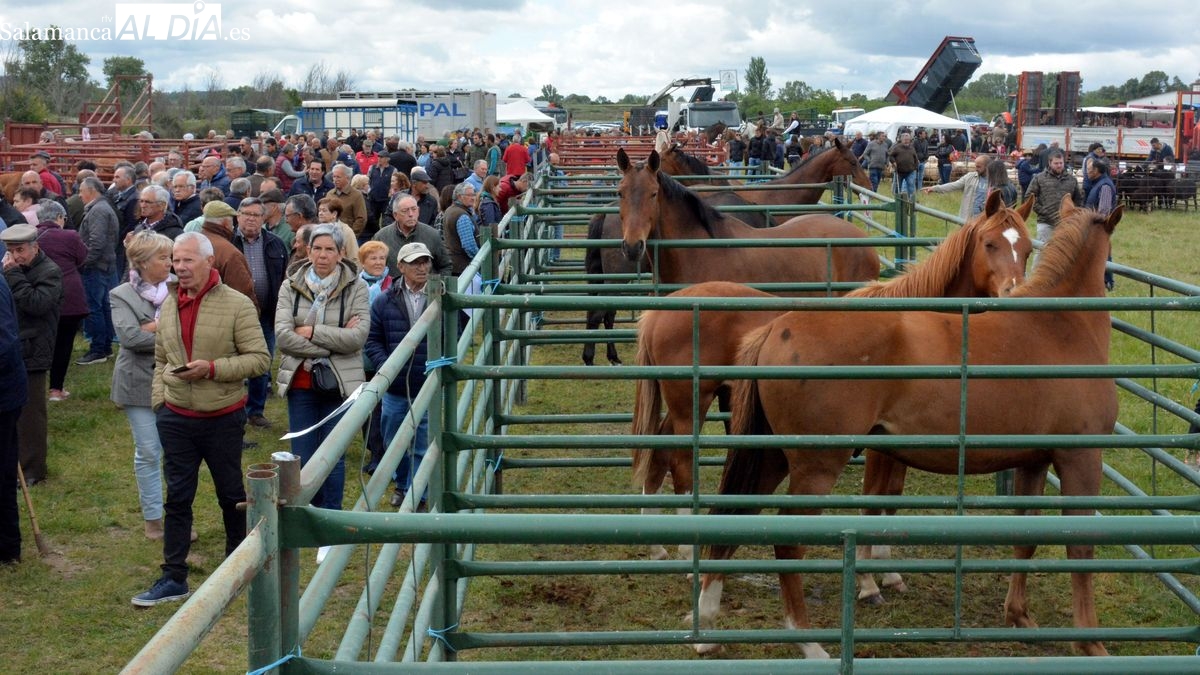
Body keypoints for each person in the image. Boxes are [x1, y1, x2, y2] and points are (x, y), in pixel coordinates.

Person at [131, 232, 269, 607]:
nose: (179, 267)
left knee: (230, 495)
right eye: (175, 260)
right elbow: (161, 357)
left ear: (209, 262)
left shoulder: (237, 305)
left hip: (222, 417)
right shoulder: (169, 303)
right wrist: (161, 404)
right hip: (176, 416)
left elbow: (259, 359)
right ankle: (173, 576)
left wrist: (211, 369)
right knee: (178, 497)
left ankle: (237, 567)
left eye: (187, 260)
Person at [275, 225, 370, 527]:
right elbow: (283, 336)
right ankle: (306, 516)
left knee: (333, 455)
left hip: (339, 383)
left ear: (341, 253)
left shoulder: (356, 287)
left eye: (330, 249)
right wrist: (333, 343)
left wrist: (312, 331)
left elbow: (357, 338)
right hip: (301, 383)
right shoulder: (290, 285)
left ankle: (331, 517)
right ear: (307, 250)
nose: (323, 255)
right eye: (317, 248)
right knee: (302, 454)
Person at [111, 231, 176, 539]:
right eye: (163, 258)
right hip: (137, 384)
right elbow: (130, 338)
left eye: (170, 257)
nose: (170, 263)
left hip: (176, 380)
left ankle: (178, 518)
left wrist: (151, 327)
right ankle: (153, 518)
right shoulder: (121, 294)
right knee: (149, 451)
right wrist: (168, 328)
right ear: (143, 262)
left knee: (176, 453)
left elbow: (194, 328)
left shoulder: (179, 287)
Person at [365, 241, 434, 509]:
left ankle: (419, 492)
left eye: (425, 261)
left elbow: (457, 332)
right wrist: (388, 366)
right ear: (401, 267)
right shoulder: (384, 300)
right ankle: (403, 484)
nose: (422, 267)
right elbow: (372, 339)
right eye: (415, 262)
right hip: (395, 388)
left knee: (422, 440)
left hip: (426, 382)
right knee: (393, 440)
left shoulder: (440, 297)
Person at [1, 223, 63, 485]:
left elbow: (37, 304)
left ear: (35, 247)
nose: (16, 256)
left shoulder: (50, 271)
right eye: (11, 251)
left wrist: (14, 276)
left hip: (35, 348)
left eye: (21, 250)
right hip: (13, 347)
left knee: (31, 415)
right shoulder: (10, 270)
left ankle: (32, 470)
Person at [233, 197, 289, 429]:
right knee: (233, 363)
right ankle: (233, 412)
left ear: (263, 218)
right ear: (238, 216)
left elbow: (284, 277)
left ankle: (255, 411)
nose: (251, 219)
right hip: (234, 315)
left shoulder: (275, 244)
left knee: (262, 362)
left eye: (256, 215)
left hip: (266, 313)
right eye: (246, 214)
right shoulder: (229, 243)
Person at [32, 201, 88, 402]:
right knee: (64, 343)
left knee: (37, 344)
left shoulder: (31, 237)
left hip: (38, 295)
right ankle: (56, 389)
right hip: (69, 296)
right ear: (59, 218)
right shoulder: (70, 236)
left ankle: (34, 388)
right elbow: (83, 258)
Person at [76, 177, 120, 366]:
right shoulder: (102, 207)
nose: (79, 195)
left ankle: (98, 349)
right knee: (103, 307)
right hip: (104, 265)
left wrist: (84, 263)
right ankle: (105, 346)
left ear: (92, 191)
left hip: (97, 267)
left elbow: (97, 243)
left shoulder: (98, 210)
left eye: (81, 191)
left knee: (95, 308)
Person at [357, 241, 391, 474]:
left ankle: (380, 453)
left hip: (382, 353)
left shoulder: (392, 285)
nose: (378, 263)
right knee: (363, 407)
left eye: (381, 258)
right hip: (359, 356)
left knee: (381, 407)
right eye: (373, 258)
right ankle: (372, 448)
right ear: (363, 262)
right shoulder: (354, 286)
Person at [0, 273, 27, 564]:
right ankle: (7, 547)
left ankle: (7, 546)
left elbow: (4, 344)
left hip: (4, 394)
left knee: (4, 472)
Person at [373, 194, 452, 279]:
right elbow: (373, 267)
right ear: (395, 215)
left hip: (425, 286)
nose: (411, 214)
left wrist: (437, 284)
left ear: (418, 211)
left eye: (414, 209)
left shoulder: (432, 235)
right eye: (405, 211)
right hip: (393, 286)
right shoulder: (381, 237)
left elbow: (445, 265)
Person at [1024, 147, 1083, 251]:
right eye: (1056, 163)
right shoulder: (1040, 178)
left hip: (1065, 224)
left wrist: (1072, 216)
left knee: (1063, 252)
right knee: (1042, 252)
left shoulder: (1072, 180)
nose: (1059, 165)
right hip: (1045, 223)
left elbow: (1078, 200)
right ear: (1050, 163)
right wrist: (1043, 211)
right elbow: (1029, 197)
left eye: (1061, 163)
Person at [922, 154, 991, 222]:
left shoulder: (993, 181)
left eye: (979, 167)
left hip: (985, 220)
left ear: (987, 167)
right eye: (976, 166)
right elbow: (953, 185)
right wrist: (934, 188)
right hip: (967, 219)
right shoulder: (970, 177)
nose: (976, 169)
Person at [1084, 158, 1117, 290]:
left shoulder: (1105, 186)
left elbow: (1104, 210)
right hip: (1095, 226)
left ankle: (1107, 280)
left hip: (1100, 227)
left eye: (1089, 169)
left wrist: (1093, 222)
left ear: (1096, 171)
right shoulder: (1098, 183)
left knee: (1103, 252)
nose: (1087, 172)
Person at [888, 132, 921, 198]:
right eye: (905, 139)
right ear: (901, 140)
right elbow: (891, 156)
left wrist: (915, 167)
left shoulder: (912, 148)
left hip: (910, 171)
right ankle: (897, 199)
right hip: (899, 171)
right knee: (897, 186)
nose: (906, 141)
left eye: (908, 139)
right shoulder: (897, 147)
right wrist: (893, 162)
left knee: (911, 185)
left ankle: (911, 199)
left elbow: (915, 158)